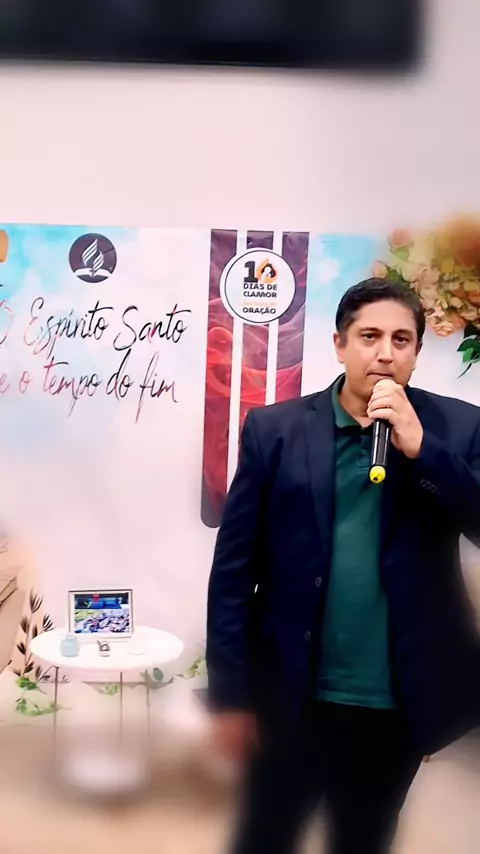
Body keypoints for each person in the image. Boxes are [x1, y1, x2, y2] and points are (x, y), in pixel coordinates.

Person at [206, 277, 480, 854]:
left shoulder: (459, 428)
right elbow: (232, 574)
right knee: (265, 835)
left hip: (395, 704)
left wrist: (423, 449)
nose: (385, 353)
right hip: (290, 695)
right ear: (339, 345)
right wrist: (231, 695)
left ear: (416, 352)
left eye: (401, 340)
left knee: (362, 838)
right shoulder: (275, 430)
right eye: (369, 336)